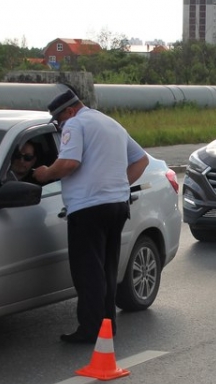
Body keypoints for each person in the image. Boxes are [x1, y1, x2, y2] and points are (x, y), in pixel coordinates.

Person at [33, 86, 150, 344]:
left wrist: (44, 174)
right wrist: (118, 185)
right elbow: (141, 160)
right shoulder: (111, 123)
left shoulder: (75, 125)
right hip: (118, 205)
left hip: (88, 208)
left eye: (59, 120)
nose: (60, 126)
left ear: (70, 111)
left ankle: (89, 329)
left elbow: (69, 163)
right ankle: (107, 326)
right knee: (107, 268)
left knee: (87, 271)